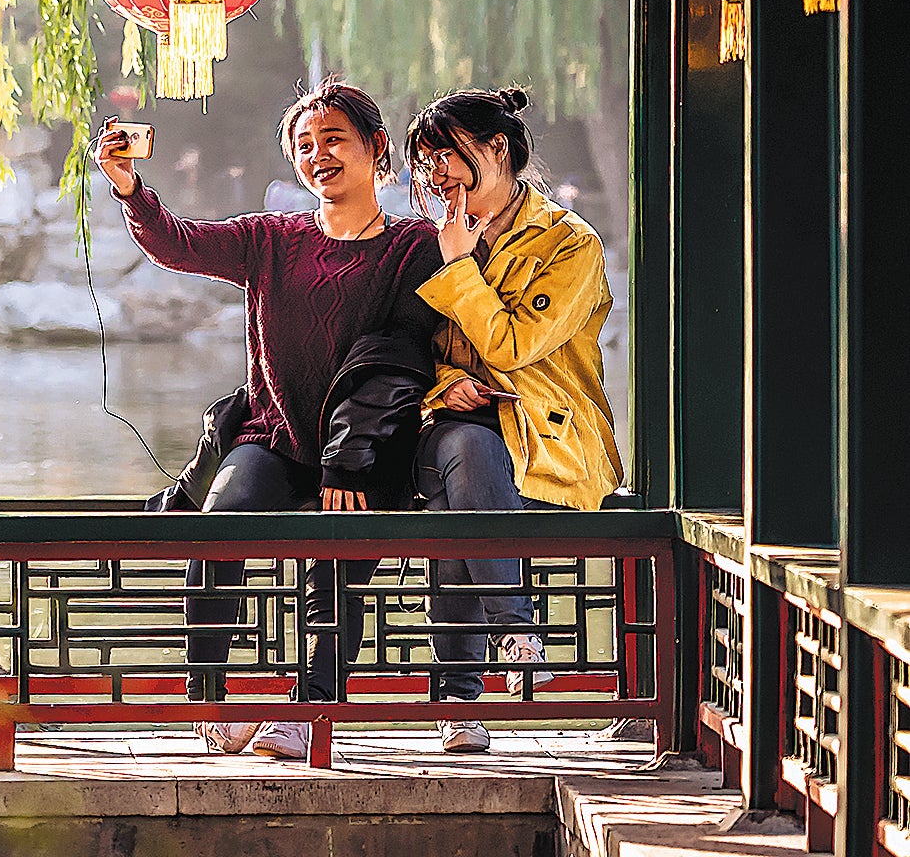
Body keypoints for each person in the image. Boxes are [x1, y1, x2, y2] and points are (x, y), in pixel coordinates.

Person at [100, 80, 442, 762]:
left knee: (335, 570)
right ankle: (212, 701)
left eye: (335, 139)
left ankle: (309, 711)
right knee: (220, 525)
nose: (319, 155)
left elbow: (403, 359)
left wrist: (355, 457)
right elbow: (180, 243)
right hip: (275, 437)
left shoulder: (415, 247)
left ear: (377, 148)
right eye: (305, 145)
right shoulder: (271, 239)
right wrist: (131, 189)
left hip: (366, 452)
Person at [405, 86, 622, 755]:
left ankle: (458, 704)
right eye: (425, 161)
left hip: (546, 445)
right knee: (466, 451)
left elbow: (514, 346)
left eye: (448, 155)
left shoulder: (568, 243)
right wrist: (449, 386)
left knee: (457, 499)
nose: (436, 175)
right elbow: (410, 353)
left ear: (498, 148)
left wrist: (460, 268)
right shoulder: (437, 240)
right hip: (450, 435)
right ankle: (514, 629)